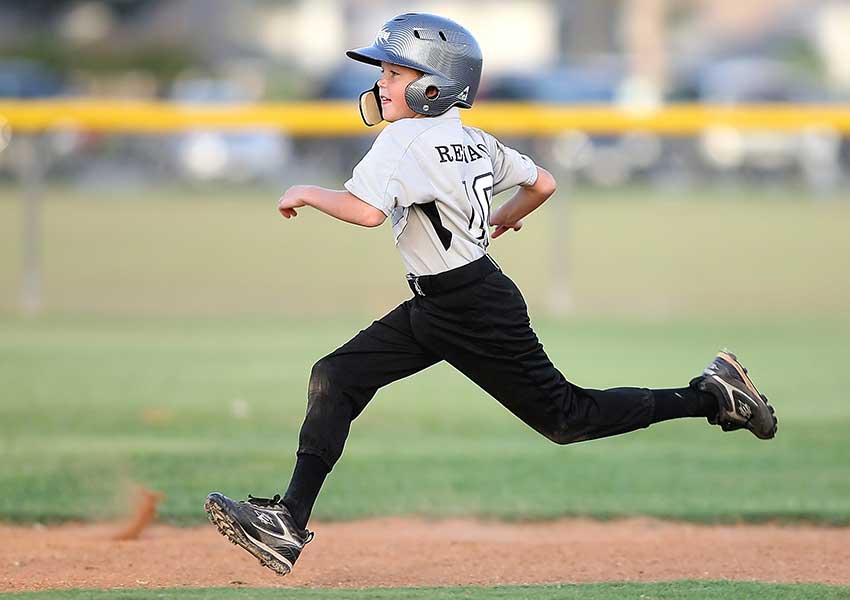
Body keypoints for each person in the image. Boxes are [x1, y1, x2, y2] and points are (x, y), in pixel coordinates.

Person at [205, 13, 777, 577]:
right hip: (449, 300)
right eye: (384, 69)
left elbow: (367, 213)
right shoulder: (471, 137)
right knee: (337, 376)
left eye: (396, 71)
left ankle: (710, 395)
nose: (382, 80)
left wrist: (306, 190)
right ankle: (286, 520)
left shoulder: (403, 139)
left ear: (435, 84)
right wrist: (501, 219)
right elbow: (543, 183)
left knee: (566, 418)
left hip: (470, 308)